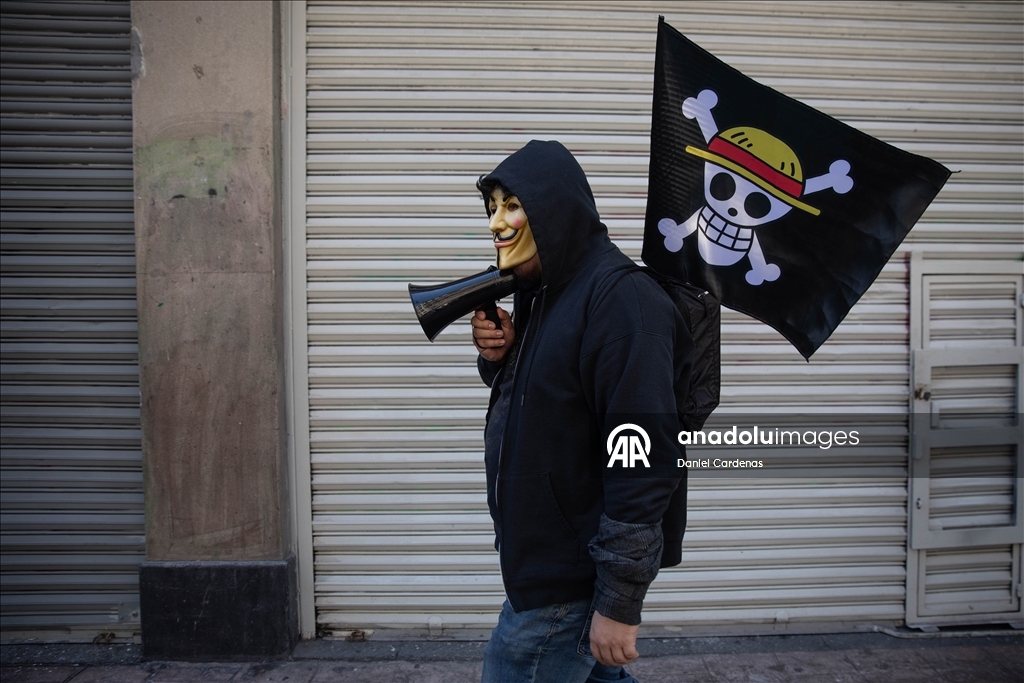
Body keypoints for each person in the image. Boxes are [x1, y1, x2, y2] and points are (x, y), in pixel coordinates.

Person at [471, 140, 692, 683]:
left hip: (566, 580)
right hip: (542, 561)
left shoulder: (622, 301)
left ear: (554, 209)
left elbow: (643, 459)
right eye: (492, 206)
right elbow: (549, 406)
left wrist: (618, 603)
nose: (496, 223)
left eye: (512, 205)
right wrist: (501, 358)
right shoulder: (547, 291)